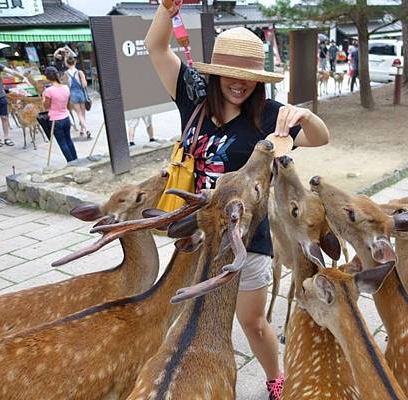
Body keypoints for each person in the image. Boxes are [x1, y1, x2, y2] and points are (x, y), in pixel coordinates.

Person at [145, 3, 330, 399]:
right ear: (216, 74)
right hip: (196, 232)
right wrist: (166, 8)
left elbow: (320, 138)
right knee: (188, 317)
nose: (239, 84)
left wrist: (306, 116)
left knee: (252, 322)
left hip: (248, 236)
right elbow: (157, 47)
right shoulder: (193, 97)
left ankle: (276, 377)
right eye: (232, 74)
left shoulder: (268, 116)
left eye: (247, 77)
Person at [42, 66, 78, 163]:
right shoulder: (65, 87)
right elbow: (66, 102)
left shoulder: (48, 91)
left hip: (55, 120)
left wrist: (43, 98)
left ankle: (71, 162)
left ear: (47, 77)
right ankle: (76, 160)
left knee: (62, 143)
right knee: (69, 140)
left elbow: (46, 106)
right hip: (66, 117)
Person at [65, 57, 90, 138]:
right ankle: (83, 129)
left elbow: (67, 86)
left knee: (79, 114)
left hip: (73, 94)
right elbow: (84, 84)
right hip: (81, 93)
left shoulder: (66, 73)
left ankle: (85, 129)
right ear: (75, 62)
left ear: (67, 64)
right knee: (83, 113)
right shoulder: (80, 72)